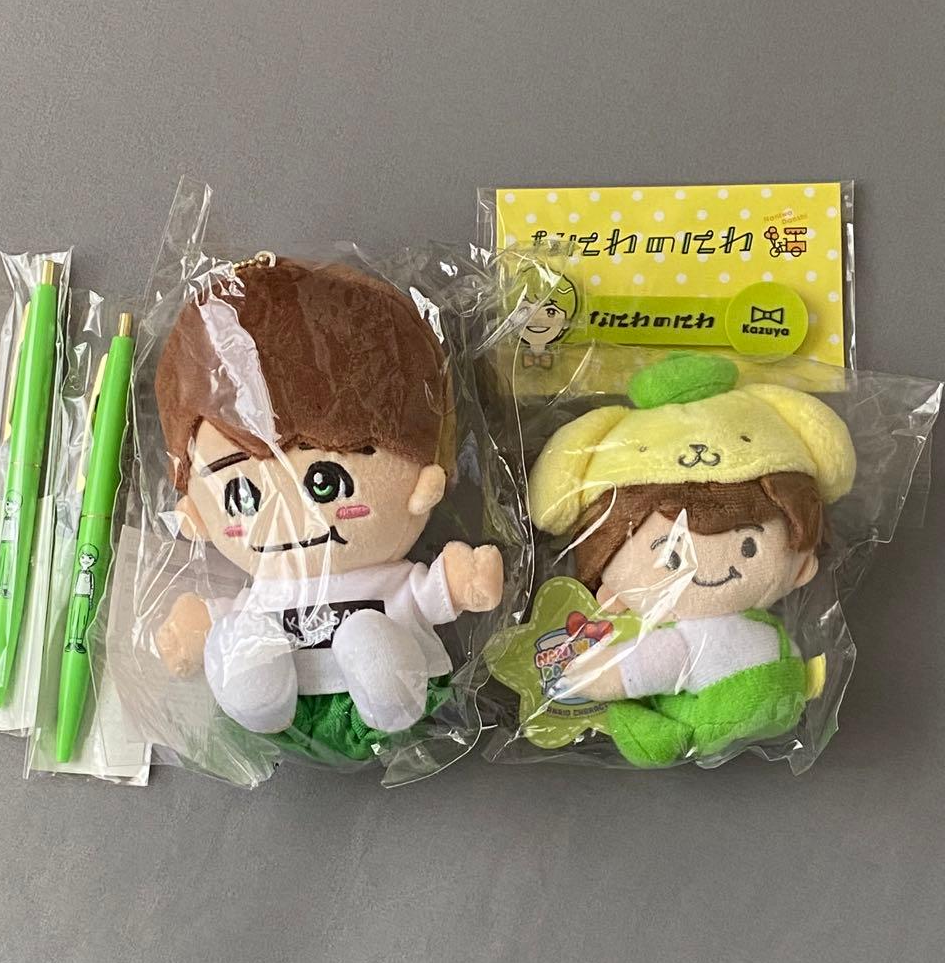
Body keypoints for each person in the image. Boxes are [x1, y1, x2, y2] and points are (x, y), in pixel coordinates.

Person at [153, 257, 503, 762]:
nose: (291, 517)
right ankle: (258, 698)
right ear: (197, 514)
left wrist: (462, 579)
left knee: (371, 641)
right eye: (242, 496)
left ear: (423, 483)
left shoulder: (389, 577)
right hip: (288, 709)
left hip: (390, 699)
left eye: (326, 483)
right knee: (244, 640)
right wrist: (198, 626)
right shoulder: (262, 591)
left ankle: (382, 689)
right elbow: (225, 615)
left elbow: (430, 592)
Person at [528, 352, 856, 766]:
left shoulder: (686, 641)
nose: (712, 567)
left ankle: (667, 733)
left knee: (651, 722)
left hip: (715, 710)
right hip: (785, 685)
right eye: (671, 555)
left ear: (803, 565)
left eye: (748, 546)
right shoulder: (761, 626)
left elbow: (647, 665)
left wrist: (593, 674)